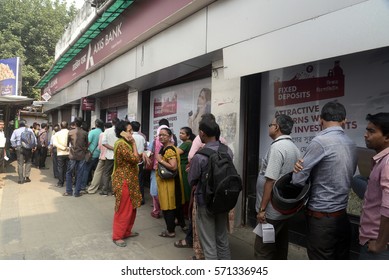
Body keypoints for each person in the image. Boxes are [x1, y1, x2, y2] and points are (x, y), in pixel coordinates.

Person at [292, 101, 357, 260]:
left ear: (320, 120)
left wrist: (297, 171)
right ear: (344, 121)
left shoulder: (320, 142)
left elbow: (297, 180)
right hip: (342, 217)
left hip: (321, 221)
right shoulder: (351, 144)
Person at [254, 114, 300, 260]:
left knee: (263, 250)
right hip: (283, 208)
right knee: (280, 246)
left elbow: (270, 180)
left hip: (271, 211)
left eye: (270, 125)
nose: (269, 127)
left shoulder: (277, 148)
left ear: (277, 127)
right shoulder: (294, 148)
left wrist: (262, 210)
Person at [188, 115, 232, 259]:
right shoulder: (227, 151)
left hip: (205, 202)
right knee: (222, 240)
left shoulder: (199, 157)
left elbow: (192, 180)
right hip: (223, 199)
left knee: (209, 244)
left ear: (202, 133)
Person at [359, 112, 389, 260]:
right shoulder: (381, 161)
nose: (366, 135)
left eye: (371, 131)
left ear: (387, 137)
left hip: (379, 247)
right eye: (367, 130)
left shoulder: (387, 162)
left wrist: (380, 244)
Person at [111, 120, 142, 247]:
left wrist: (142, 154)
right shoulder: (122, 144)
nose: (132, 133)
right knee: (124, 209)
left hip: (131, 179)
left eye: (131, 130)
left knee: (132, 208)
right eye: (129, 131)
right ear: (122, 133)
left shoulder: (125, 143)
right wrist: (134, 144)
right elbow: (134, 159)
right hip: (124, 180)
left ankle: (127, 231)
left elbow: (134, 157)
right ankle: (117, 235)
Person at [156, 127, 186, 238]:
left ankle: (170, 231)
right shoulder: (168, 148)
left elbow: (173, 167)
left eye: (164, 135)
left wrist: (160, 160)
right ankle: (181, 225)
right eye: (160, 135)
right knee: (175, 204)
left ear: (170, 136)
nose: (161, 137)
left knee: (168, 205)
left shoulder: (169, 150)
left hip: (169, 183)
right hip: (172, 182)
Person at [63, 117, 88, 197]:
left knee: (69, 172)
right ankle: (77, 192)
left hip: (73, 155)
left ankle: (69, 191)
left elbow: (67, 144)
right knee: (80, 173)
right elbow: (86, 145)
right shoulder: (85, 133)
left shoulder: (70, 132)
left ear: (75, 124)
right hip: (81, 155)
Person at [80, 119, 103, 193]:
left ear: (96, 124)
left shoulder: (92, 132)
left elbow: (88, 142)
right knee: (97, 171)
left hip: (91, 154)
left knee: (86, 170)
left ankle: (83, 186)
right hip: (99, 154)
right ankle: (97, 185)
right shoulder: (102, 132)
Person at [177, 126, 195, 218]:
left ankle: (186, 212)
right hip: (185, 168)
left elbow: (176, 152)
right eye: (180, 133)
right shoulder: (188, 143)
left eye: (182, 133)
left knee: (184, 189)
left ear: (188, 136)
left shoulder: (187, 144)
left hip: (183, 168)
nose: (180, 135)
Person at [88, 122, 110, 194]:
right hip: (112, 157)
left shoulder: (102, 134)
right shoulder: (116, 134)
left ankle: (92, 189)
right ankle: (109, 189)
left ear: (104, 127)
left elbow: (100, 146)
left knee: (98, 172)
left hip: (102, 155)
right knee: (109, 173)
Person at [100, 117, 119, 196]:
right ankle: (115, 191)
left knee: (106, 173)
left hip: (109, 155)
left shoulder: (107, 131)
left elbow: (104, 143)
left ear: (112, 123)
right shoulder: (122, 131)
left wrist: (112, 148)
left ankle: (105, 190)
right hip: (118, 155)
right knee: (116, 173)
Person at [131, 121, 146, 204]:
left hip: (132, 162)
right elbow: (144, 146)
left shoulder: (130, 137)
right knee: (140, 181)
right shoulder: (142, 137)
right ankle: (141, 199)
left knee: (132, 181)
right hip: (140, 162)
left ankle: (133, 198)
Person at [53, 121, 69, 188]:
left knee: (60, 168)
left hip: (60, 153)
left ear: (60, 126)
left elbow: (55, 144)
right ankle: (68, 181)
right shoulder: (69, 132)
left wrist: (62, 148)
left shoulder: (57, 134)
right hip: (68, 152)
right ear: (67, 126)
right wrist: (67, 148)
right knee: (68, 168)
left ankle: (60, 183)